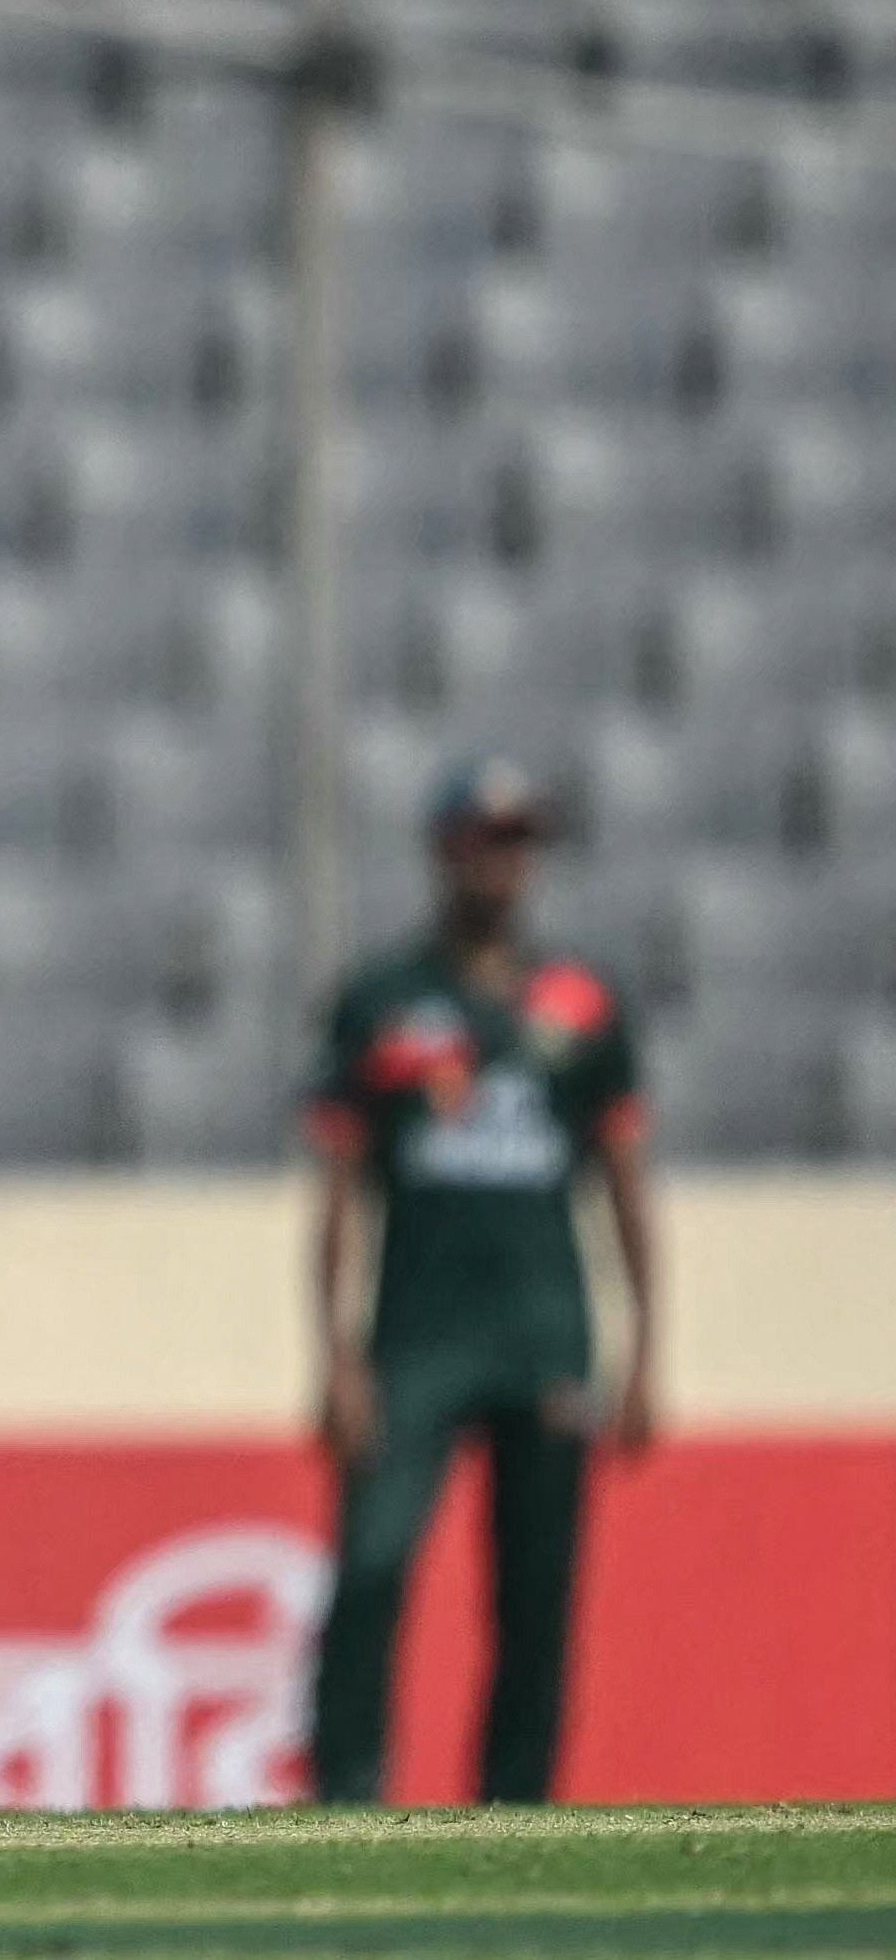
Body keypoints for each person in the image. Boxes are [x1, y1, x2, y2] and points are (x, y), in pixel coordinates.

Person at [301, 756, 663, 1804]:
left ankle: (517, 1812)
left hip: (546, 1331)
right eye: (486, 839)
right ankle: (345, 1793)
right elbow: (337, 1194)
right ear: (444, 850)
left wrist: (642, 1348)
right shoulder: (383, 1001)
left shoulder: (581, 1003)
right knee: (370, 1568)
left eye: (521, 841)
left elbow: (627, 1185)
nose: (505, 863)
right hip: (416, 1336)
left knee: (536, 1595)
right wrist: (334, 1352)